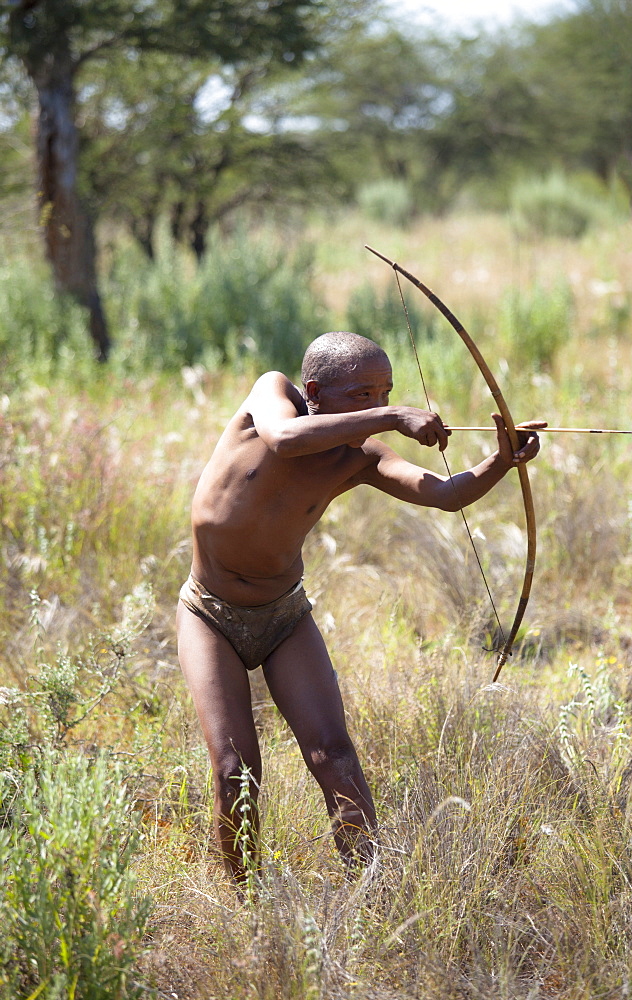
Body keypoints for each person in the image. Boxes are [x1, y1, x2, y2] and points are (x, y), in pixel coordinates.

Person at [176, 331, 544, 881]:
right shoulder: (272, 397)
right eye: (361, 394)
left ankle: (371, 891)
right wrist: (394, 415)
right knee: (235, 771)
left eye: (384, 392)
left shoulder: (361, 454)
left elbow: (442, 493)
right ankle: (245, 908)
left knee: (334, 756)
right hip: (210, 614)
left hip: (283, 617)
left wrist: (501, 460)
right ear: (314, 390)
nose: (373, 405)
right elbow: (285, 439)